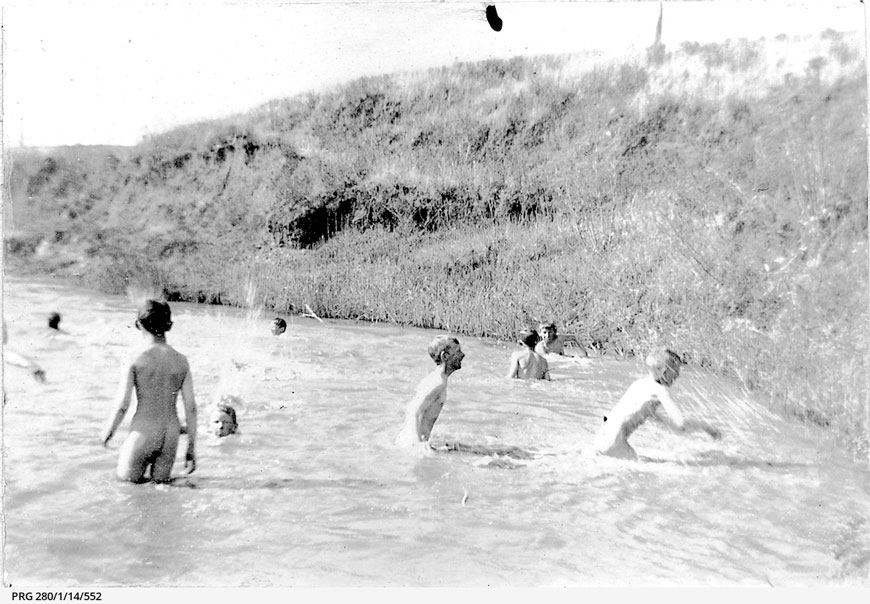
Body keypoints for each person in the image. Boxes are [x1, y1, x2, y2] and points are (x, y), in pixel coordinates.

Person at [101, 299, 197, 483]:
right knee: (159, 490)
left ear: (138, 324)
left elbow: (123, 404)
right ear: (170, 325)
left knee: (124, 487)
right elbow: (191, 407)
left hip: (143, 433)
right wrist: (191, 448)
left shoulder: (134, 357)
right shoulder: (181, 361)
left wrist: (109, 431)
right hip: (170, 437)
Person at [590, 348, 721, 459]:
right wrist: (707, 428)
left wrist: (663, 421)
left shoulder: (639, 384)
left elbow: (643, 415)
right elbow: (680, 424)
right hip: (615, 442)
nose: (678, 375)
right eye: (676, 371)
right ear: (665, 371)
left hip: (599, 440)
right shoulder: (660, 391)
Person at [397, 335, 465, 446]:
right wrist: (418, 446)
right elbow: (414, 410)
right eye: (457, 351)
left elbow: (410, 408)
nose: (462, 355)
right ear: (445, 356)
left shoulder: (435, 378)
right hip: (411, 444)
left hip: (408, 441)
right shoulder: (438, 383)